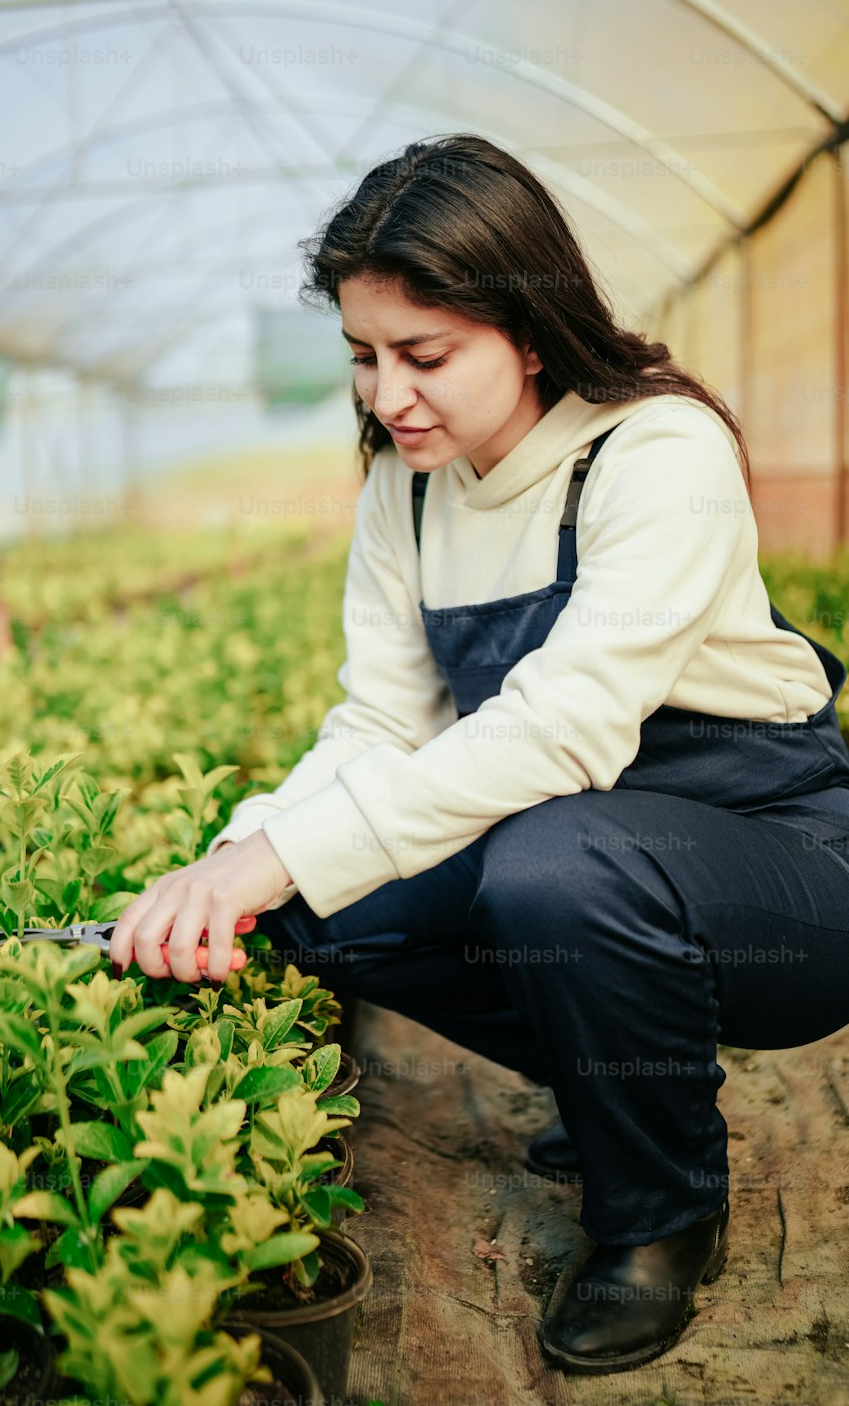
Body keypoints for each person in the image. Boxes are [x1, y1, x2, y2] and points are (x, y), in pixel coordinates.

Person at [110, 133, 849, 1377]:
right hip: (583, 845)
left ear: (530, 327)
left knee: (548, 864)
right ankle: (618, 1072)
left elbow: (562, 729)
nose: (385, 394)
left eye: (424, 355)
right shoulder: (406, 492)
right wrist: (240, 858)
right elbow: (379, 725)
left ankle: (659, 1216)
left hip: (780, 863)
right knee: (317, 912)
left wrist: (280, 853)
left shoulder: (654, 452)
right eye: (362, 355)